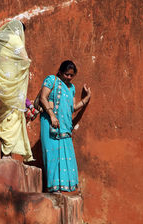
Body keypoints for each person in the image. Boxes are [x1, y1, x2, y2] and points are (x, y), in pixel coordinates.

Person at [0, 20, 34, 161]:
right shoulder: (15, 39)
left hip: (1, 82)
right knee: (14, 113)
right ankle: (6, 152)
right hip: (13, 81)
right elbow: (24, 59)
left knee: (6, 109)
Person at [39, 60, 91, 192]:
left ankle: (62, 189)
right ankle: (53, 189)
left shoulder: (71, 88)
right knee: (52, 155)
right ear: (61, 72)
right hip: (50, 124)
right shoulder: (52, 80)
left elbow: (73, 108)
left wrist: (87, 98)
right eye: (66, 74)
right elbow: (43, 98)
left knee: (65, 157)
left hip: (65, 127)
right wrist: (52, 115)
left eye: (71, 75)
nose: (68, 77)